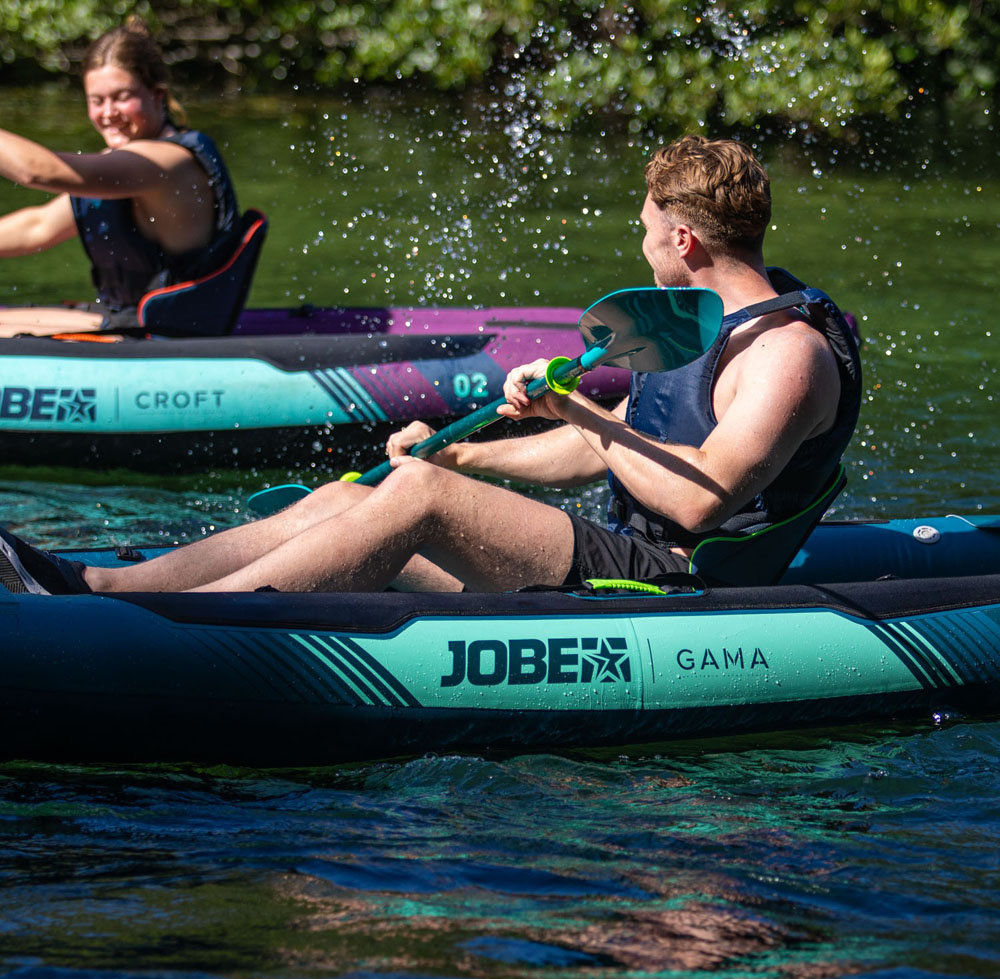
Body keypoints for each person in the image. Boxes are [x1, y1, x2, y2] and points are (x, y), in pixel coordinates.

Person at [0, 135, 861, 596]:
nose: (637, 245)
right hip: (620, 546)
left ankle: (183, 630)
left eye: (644, 228)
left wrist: (577, 413)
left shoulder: (788, 353)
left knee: (415, 498)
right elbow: (620, 450)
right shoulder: (686, 324)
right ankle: (98, 585)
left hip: (675, 581)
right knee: (354, 494)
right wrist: (463, 455)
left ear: (685, 237)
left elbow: (699, 500)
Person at [0, 18, 240, 337]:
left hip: (168, 338)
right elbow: (39, 227)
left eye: (122, 97)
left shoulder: (168, 162)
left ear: (158, 96)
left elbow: (39, 171)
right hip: (128, 322)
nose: (108, 113)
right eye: (96, 101)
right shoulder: (122, 166)